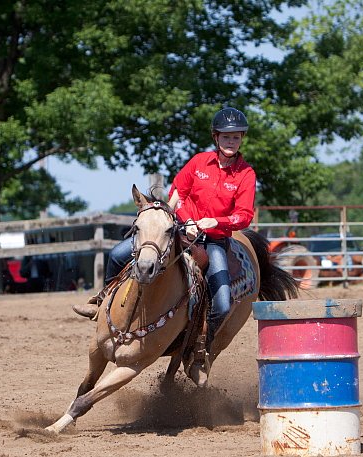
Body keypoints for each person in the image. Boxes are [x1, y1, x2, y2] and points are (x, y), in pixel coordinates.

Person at [72, 107, 257, 355]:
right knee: (118, 254)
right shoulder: (199, 162)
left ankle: (201, 349)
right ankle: (101, 300)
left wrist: (217, 222)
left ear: (242, 138)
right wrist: (188, 220)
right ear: (216, 137)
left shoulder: (246, 174)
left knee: (223, 303)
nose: (231, 141)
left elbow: (244, 215)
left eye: (235, 137)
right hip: (180, 230)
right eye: (226, 136)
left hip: (214, 241)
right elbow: (178, 193)